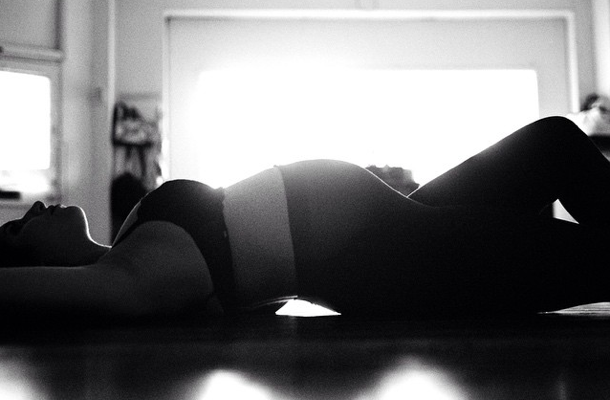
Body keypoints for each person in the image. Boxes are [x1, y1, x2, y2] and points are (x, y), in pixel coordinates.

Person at [2, 116, 610, 323]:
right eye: (16, 228)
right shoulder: (135, 276)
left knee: (554, 142)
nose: (33, 209)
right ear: (39, 268)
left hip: (400, 223)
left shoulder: (135, 246)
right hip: (402, 260)